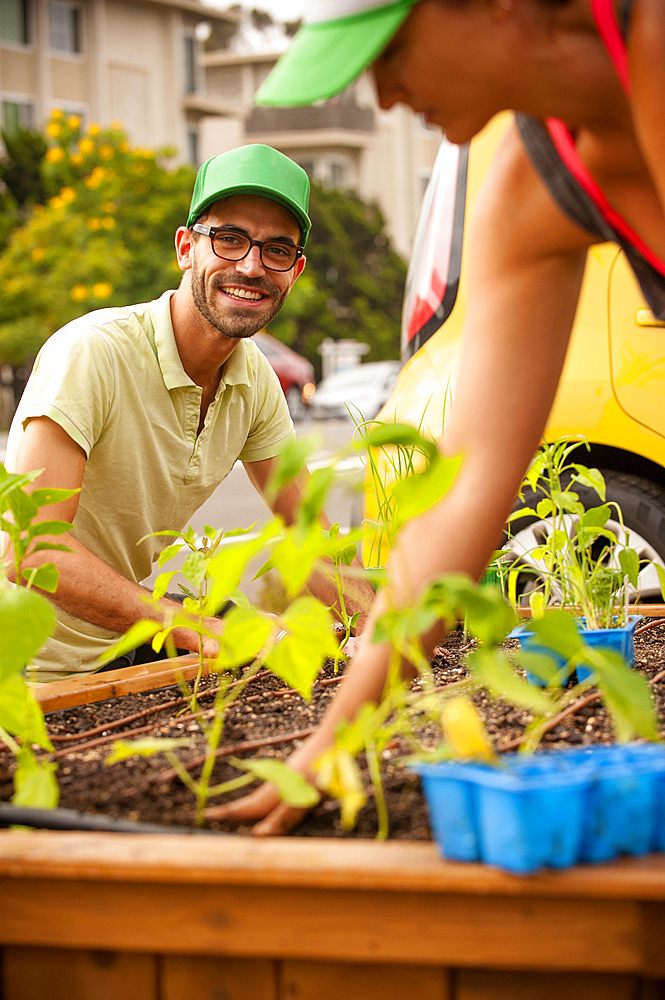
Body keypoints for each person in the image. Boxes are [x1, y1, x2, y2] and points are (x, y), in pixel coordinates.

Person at [206, 0, 665, 833]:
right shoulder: (531, 186)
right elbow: (458, 495)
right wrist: (330, 742)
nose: (382, 99)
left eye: (390, 52)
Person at [6, 143, 372, 683]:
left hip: (121, 648)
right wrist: (193, 626)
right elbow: (29, 551)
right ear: (185, 248)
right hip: (27, 672)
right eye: (229, 239)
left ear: (294, 271)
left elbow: (308, 539)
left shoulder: (256, 382)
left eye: (276, 250)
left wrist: (374, 624)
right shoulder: (92, 352)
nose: (251, 266)